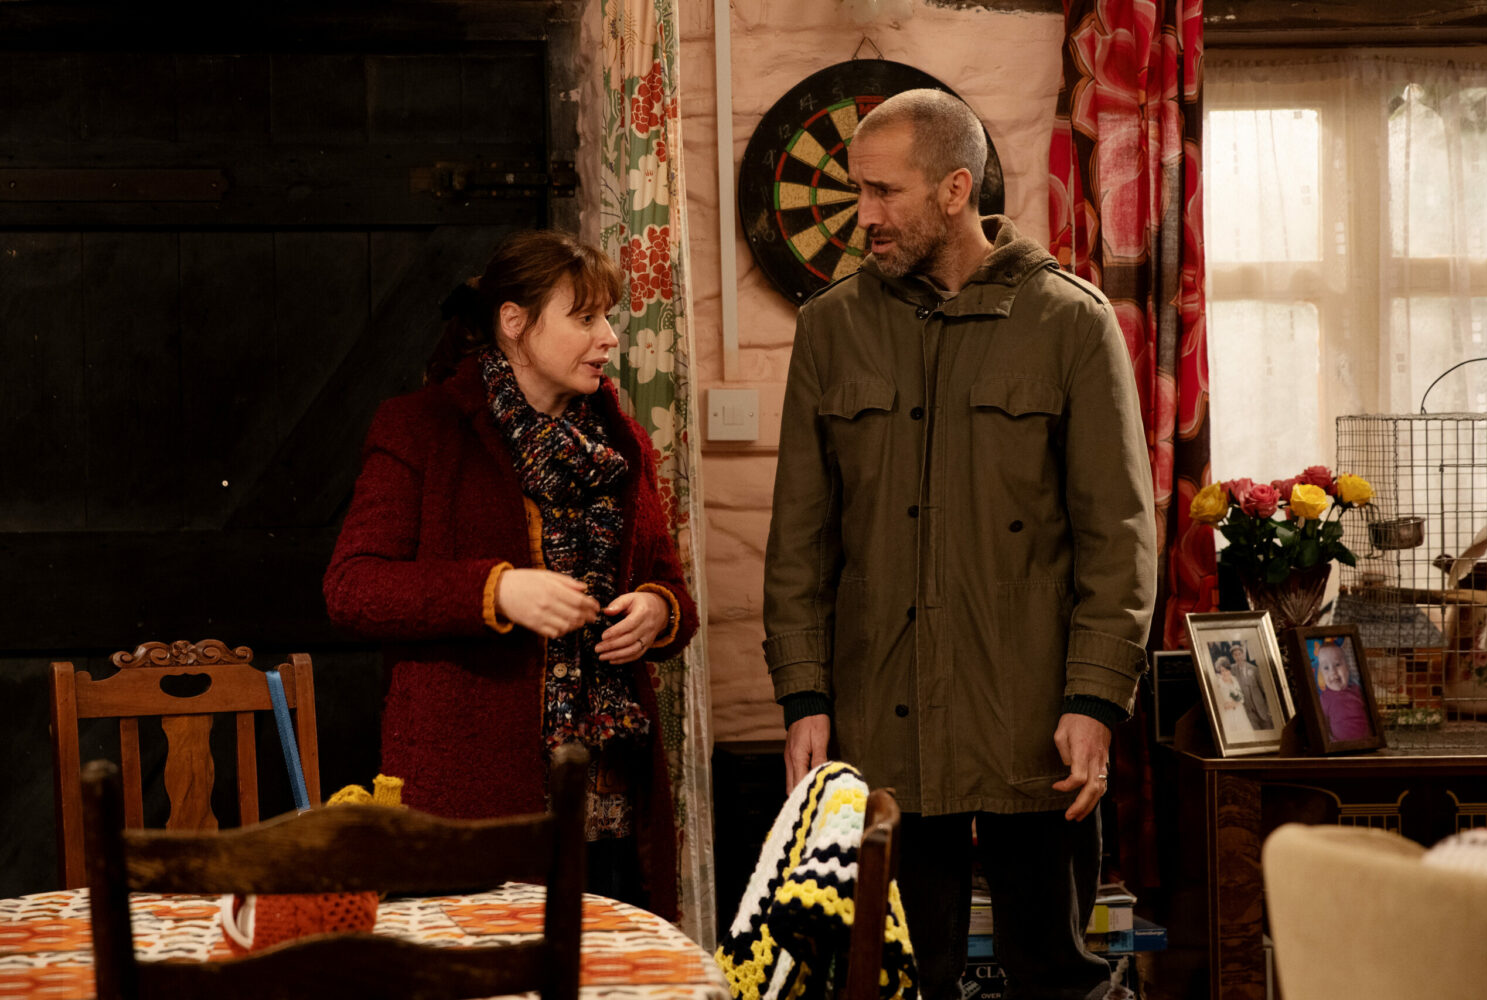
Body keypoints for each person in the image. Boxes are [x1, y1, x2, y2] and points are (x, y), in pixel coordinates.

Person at [762, 89, 1155, 1000]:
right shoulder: (832, 326)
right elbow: (801, 537)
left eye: (883, 193)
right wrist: (805, 694)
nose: (864, 217)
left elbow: (1119, 535)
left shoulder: (1070, 321)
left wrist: (1094, 699)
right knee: (894, 976)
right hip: (878, 719)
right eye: (858, 192)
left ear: (953, 189)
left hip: (1035, 722)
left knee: (1061, 976)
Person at [324, 230, 698, 917]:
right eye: (585, 319)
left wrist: (656, 611)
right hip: (474, 799)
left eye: (607, 317)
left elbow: (673, 591)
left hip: (610, 800)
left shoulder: (619, 442)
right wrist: (495, 590)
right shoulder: (422, 428)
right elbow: (354, 587)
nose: (609, 337)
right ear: (514, 323)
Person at [1315, 640, 1372, 742]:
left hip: (1365, 743)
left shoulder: (1358, 691)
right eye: (1326, 668)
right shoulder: (1324, 698)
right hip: (1341, 747)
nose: (1333, 671)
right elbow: (1323, 726)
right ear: (1321, 674)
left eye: (1337, 664)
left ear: (1347, 668)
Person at [1229, 643, 1274, 730]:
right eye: (1235, 655)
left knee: (1269, 728)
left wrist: (1269, 707)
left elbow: (1265, 690)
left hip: (1261, 708)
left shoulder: (1253, 669)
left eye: (1239, 654)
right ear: (1233, 657)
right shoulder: (1233, 670)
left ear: (1243, 654)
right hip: (1248, 711)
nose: (1238, 657)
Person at [1213, 656, 1255, 741]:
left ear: (1229, 669)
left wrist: (1235, 703)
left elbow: (1241, 697)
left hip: (1239, 711)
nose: (1224, 673)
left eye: (1226, 670)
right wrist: (1225, 705)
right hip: (1227, 713)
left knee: (1245, 736)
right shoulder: (1218, 682)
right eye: (1222, 671)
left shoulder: (1234, 679)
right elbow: (1217, 699)